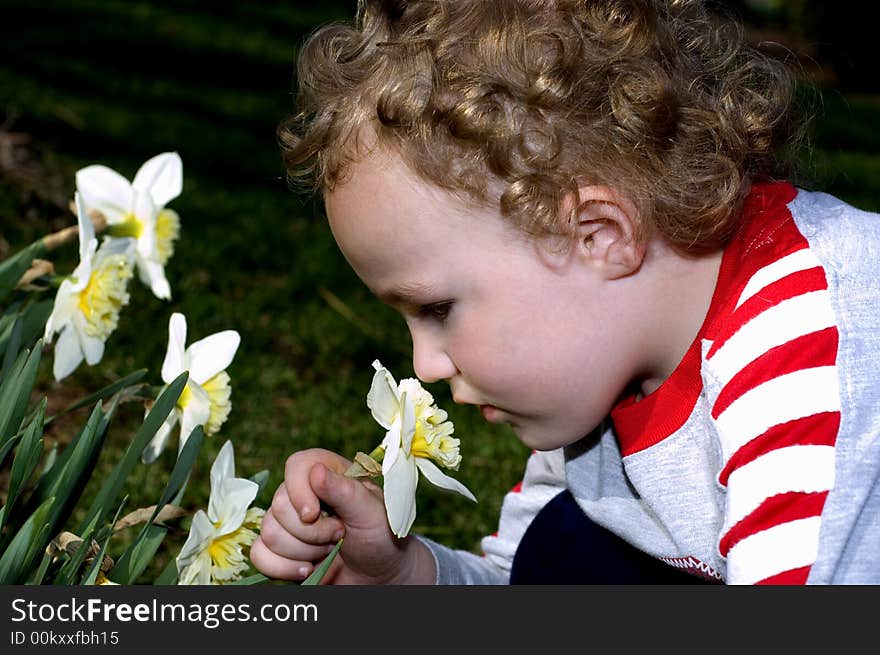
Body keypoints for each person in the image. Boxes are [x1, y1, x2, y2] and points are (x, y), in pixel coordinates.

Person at [249, 0, 880, 584]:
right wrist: (397, 575)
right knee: (567, 547)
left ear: (598, 237)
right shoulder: (605, 355)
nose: (426, 365)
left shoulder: (803, 351)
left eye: (437, 309)